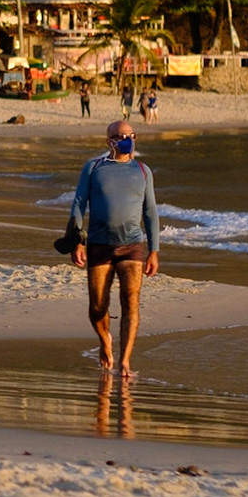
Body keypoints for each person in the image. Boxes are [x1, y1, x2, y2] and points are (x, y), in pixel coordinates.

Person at [69, 119, 161, 379]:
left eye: (131, 135)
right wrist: (77, 240)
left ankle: (125, 361)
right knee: (97, 306)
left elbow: (151, 211)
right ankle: (104, 341)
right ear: (108, 140)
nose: (127, 139)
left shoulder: (143, 171)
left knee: (131, 301)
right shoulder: (94, 167)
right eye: (121, 136)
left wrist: (154, 250)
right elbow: (78, 204)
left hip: (132, 245)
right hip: (99, 243)